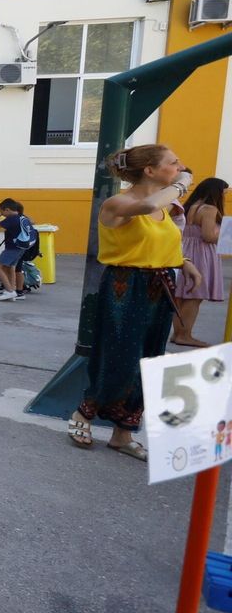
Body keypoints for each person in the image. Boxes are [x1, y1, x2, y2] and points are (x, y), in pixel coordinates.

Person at [68, 145, 198, 460]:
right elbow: (146, 208)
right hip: (126, 286)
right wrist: (180, 184)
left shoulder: (162, 208)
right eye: (172, 162)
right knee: (119, 356)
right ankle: (84, 412)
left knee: (148, 360)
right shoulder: (120, 203)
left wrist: (183, 263)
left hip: (159, 286)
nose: (179, 165)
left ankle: (123, 432)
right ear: (150, 171)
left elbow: (155, 242)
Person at [172, 178, 227, 348]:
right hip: (202, 253)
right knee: (195, 296)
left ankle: (178, 334)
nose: (224, 196)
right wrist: (225, 235)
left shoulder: (190, 206)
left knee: (182, 296)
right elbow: (208, 236)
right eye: (223, 193)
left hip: (187, 249)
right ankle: (184, 335)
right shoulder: (209, 209)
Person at [0, 199, 35, 301]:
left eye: (2, 212)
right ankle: (12, 290)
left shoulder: (11, 219)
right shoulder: (22, 218)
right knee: (10, 267)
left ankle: (10, 291)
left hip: (12, 248)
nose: (2, 214)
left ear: (7, 210)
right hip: (21, 248)